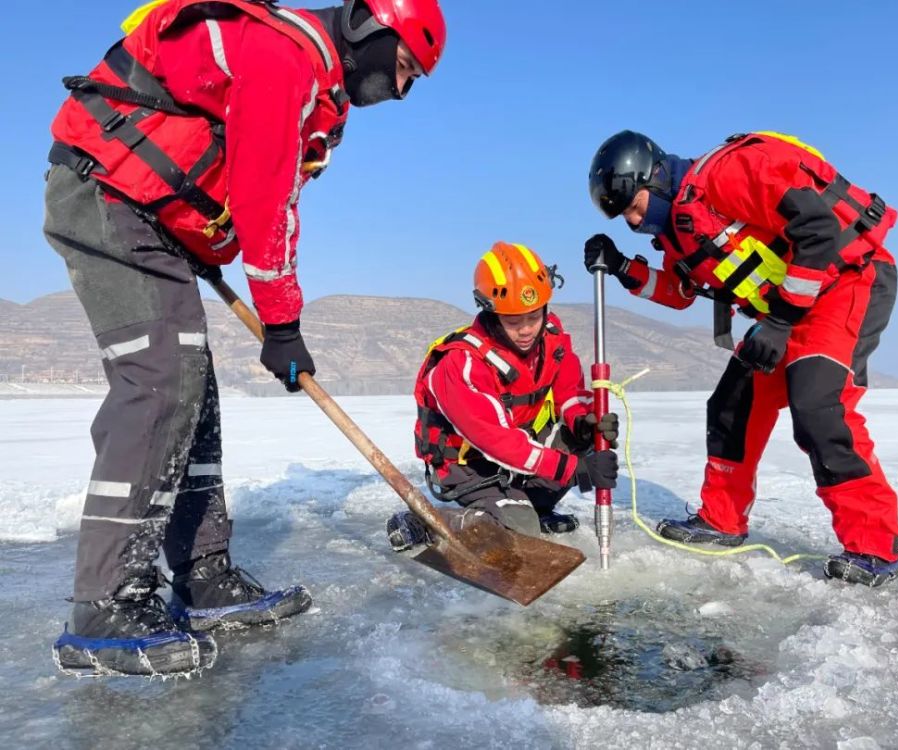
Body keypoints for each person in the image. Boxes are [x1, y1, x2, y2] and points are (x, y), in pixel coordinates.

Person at [42, 0, 446, 676]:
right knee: (161, 379)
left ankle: (202, 576)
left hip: (148, 214)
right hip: (104, 193)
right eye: (402, 66)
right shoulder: (281, 59)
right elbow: (264, 194)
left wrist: (201, 237)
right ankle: (104, 602)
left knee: (192, 388)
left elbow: (250, 188)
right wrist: (282, 322)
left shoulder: (313, 87)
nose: (400, 90)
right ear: (369, 29)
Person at [584, 130, 898, 587]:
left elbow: (817, 230)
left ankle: (877, 546)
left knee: (818, 409)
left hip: (847, 284)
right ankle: (722, 520)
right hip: (789, 308)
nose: (635, 223)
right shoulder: (679, 229)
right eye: (625, 219)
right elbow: (681, 294)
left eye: (635, 206)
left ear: (653, 176)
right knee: (731, 407)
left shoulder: (727, 174)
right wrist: (624, 268)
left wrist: (778, 323)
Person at [386, 242, 619, 551]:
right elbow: (496, 440)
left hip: (515, 459)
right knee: (519, 531)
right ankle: (429, 523)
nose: (526, 330)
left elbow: (569, 392)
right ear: (491, 312)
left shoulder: (550, 339)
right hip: (469, 467)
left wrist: (583, 422)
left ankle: (530, 507)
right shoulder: (462, 364)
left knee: (584, 438)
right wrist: (571, 469)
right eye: (513, 322)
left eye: (533, 317)